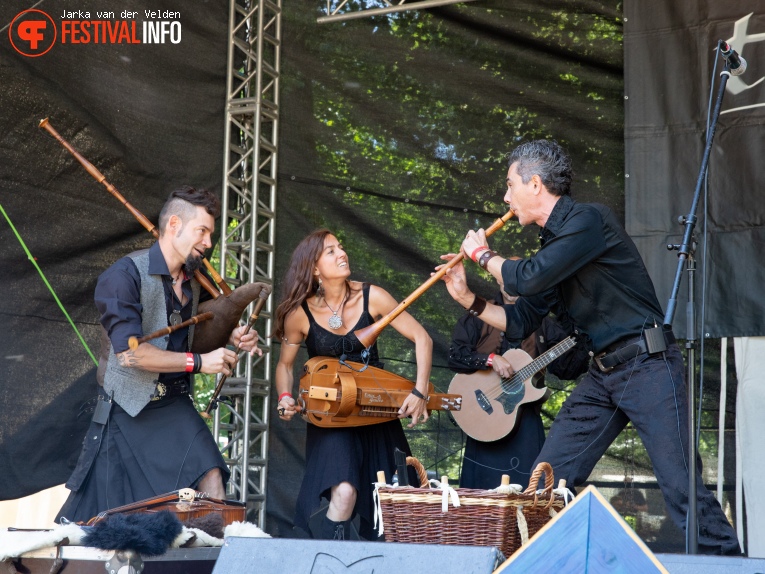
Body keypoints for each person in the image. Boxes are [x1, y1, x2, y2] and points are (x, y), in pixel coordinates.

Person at [438, 140, 740, 555]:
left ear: (535, 184)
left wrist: (481, 254)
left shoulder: (588, 221)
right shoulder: (552, 250)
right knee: (546, 483)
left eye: (510, 185)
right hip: (602, 377)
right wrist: (468, 300)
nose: (505, 197)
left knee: (681, 489)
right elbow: (521, 320)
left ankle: (731, 565)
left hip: (648, 364)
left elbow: (526, 277)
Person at [57, 186, 260, 523]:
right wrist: (199, 364)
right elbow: (131, 355)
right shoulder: (122, 276)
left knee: (210, 477)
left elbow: (185, 339)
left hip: (174, 405)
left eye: (211, 232)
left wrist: (232, 333)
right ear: (175, 224)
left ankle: (213, 562)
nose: (209, 242)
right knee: (108, 524)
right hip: (128, 409)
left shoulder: (191, 282)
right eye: (202, 231)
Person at [274, 229, 432, 540]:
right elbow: (284, 365)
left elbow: (422, 338)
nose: (341, 253)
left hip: (376, 413)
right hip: (330, 419)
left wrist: (421, 391)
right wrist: (284, 396)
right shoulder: (299, 314)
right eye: (330, 251)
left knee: (390, 509)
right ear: (315, 268)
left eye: (341, 247)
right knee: (344, 493)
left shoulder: (373, 296)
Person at [449, 287, 589, 489]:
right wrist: (489, 359)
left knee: (531, 488)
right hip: (483, 420)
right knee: (481, 493)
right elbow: (455, 356)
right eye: (507, 280)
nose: (511, 286)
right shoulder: (478, 314)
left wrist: (586, 348)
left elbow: (566, 369)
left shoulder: (543, 322)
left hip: (525, 418)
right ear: (498, 279)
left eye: (518, 282)